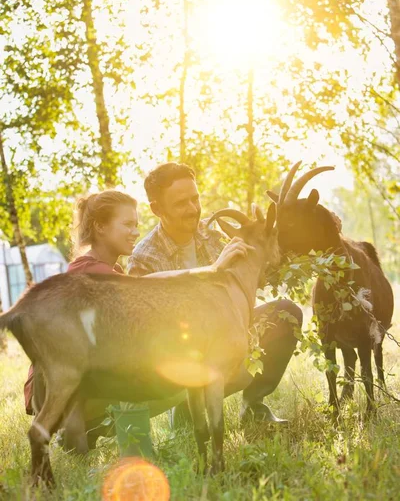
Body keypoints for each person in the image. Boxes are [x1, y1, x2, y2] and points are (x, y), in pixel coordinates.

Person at [24, 189, 251, 446]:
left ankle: (93, 428)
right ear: (100, 227)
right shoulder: (89, 270)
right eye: (127, 225)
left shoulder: (110, 269)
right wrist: (211, 270)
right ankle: (94, 431)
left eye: (137, 225)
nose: (135, 231)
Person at [128, 162, 303, 424]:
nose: (193, 209)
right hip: (186, 352)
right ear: (156, 209)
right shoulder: (144, 259)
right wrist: (214, 269)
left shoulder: (213, 233)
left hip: (230, 336)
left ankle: (253, 406)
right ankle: (189, 408)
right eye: (181, 203)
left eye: (195, 198)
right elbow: (147, 332)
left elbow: (263, 265)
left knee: (285, 313)